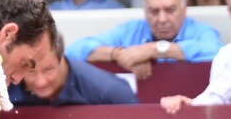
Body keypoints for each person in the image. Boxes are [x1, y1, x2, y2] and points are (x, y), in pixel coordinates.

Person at [67, 0, 221, 78]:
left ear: (184, 7)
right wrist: (119, 54)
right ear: (144, 11)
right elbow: (74, 51)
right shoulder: (131, 30)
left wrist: (154, 49)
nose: (162, 19)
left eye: (170, 10)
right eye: (154, 11)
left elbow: (217, 53)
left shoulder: (200, 31)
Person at [9, 29, 138, 106]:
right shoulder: (3, 85)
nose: (40, 81)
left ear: (62, 59)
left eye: (48, 70)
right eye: (30, 72)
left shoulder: (111, 92)